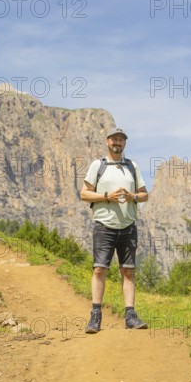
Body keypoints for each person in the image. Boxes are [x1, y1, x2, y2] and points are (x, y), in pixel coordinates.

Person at [80, 127, 149, 333]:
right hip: (104, 226)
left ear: (124, 143)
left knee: (128, 271)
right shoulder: (97, 166)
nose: (117, 142)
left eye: (121, 139)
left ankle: (130, 316)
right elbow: (84, 194)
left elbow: (144, 195)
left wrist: (133, 197)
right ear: (107, 141)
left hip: (128, 226)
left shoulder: (132, 166)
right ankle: (95, 317)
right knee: (100, 269)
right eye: (114, 139)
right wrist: (106, 196)